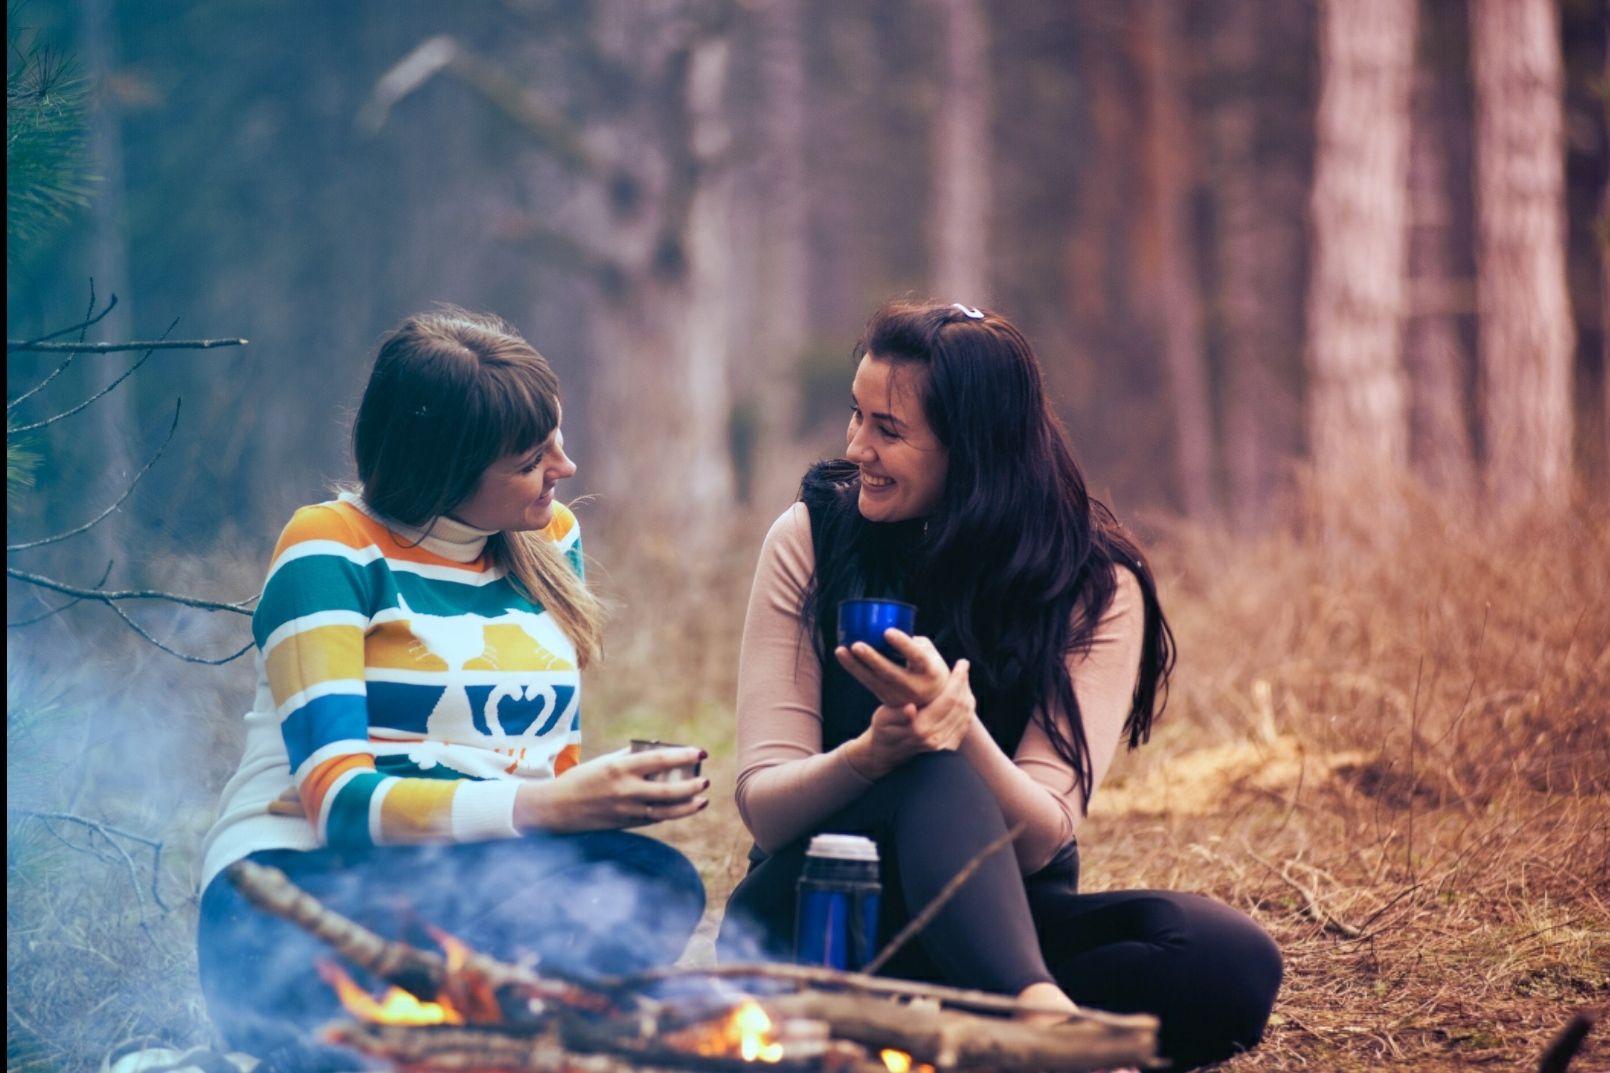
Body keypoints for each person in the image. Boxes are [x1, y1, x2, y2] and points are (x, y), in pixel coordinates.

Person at [716, 301, 1281, 1070]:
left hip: (998, 920)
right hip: (818, 918)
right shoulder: (811, 539)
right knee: (926, 769)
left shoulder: (1095, 583)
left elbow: (1046, 830)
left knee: (1228, 959)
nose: (857, 447)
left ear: (972, 447)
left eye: (889, 429)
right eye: (857, 416)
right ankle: (1032, 1020)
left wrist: (962, 728)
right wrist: (874, 755)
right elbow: (767, 806)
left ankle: (977, 1025)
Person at [196, 309, 708, 1062]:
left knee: (652, 878)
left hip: (460, 882)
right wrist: (552, 805)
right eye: (533, 458)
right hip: (298, 893)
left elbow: (543, 762)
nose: (563, 469)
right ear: (444, 470)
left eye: (557, 439)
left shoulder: (550, 538)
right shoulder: (330, 547)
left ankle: (465, 1030)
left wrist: (594, 801)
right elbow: (339, 805)